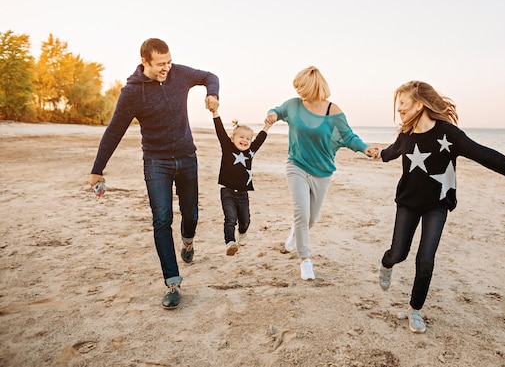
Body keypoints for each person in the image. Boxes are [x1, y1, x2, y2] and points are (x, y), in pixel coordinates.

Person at [377, 80, 505, 334]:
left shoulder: (449, 134)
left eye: (403, 104)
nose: (399, 110)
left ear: (419, 104)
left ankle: (414, 310)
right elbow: (390, 152)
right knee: (399, 253)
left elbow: (486, 155)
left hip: (437, 205)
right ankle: (386, 264)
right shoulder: (405, 135)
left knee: (425, 260)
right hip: (408, 202)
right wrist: (375, 153)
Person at [87, 38, 219, 310]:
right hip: (156, 162)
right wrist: (97, 169)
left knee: (191, 213)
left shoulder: (179, 73)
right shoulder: (132, 93)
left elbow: (209, 76)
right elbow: (114, 131)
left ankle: (188, 242)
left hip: (187, 157)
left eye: (169, 61)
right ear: (145, 61)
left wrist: (212, 93)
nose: (167, 68)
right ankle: (172, 282)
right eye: (161, 64)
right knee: (161, 219)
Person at [264, 66, 379, 281]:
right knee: (301, 214)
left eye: (301, 85)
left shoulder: (332, 111)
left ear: (312, 85)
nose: (297, 89)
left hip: (322, 172)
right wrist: (271, 114)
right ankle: (305, 260)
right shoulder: (293, 105)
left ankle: (294, 234)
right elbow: (278, 111)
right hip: (296, 165)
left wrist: (365, 148)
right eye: (295, 85)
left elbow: (349, 137)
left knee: (312, 218)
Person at [210, 104, 272, 256]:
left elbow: (260, 139)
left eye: (248, 138)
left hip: (243, 194)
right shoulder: (227, 147)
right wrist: (215, 113)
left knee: (245, 220)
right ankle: (230, 242)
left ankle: (242, 233)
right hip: (227, 192)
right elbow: (220, 131)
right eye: (241, 137)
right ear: (233, 138)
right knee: (230, 218)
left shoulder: (250, 152)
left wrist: (267, 126)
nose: (245, 140)